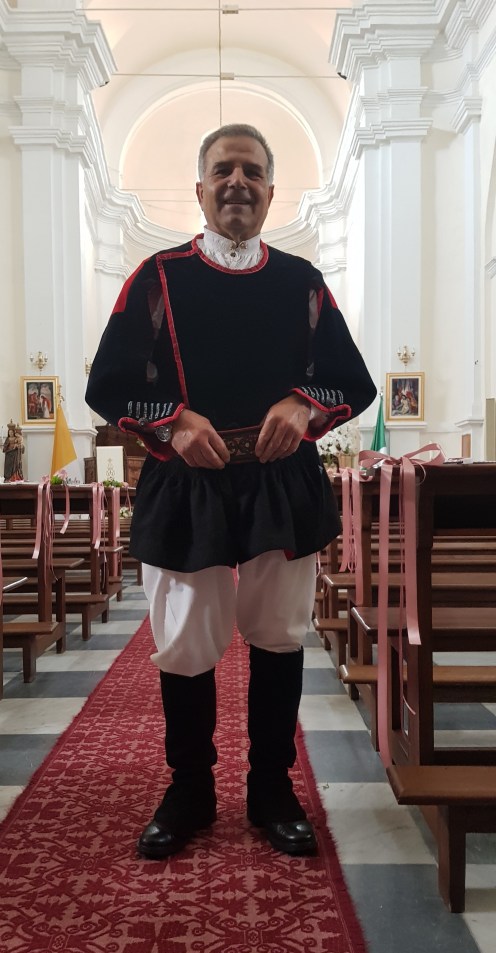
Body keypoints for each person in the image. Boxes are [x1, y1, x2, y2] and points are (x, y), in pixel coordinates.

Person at [86, 124, 376, 861]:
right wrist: (173, 420)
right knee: (186, 641)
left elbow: (351, 380)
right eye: (223, 170)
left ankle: (271, 789)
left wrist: (303, 404)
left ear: (271, 192)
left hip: (282, 480)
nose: (237, 182)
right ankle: (189, 789)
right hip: (189, 482)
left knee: (279, 634)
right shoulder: (157, 277)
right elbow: (108, 383)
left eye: (251, 171)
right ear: (200, 188)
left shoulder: (303, 281)